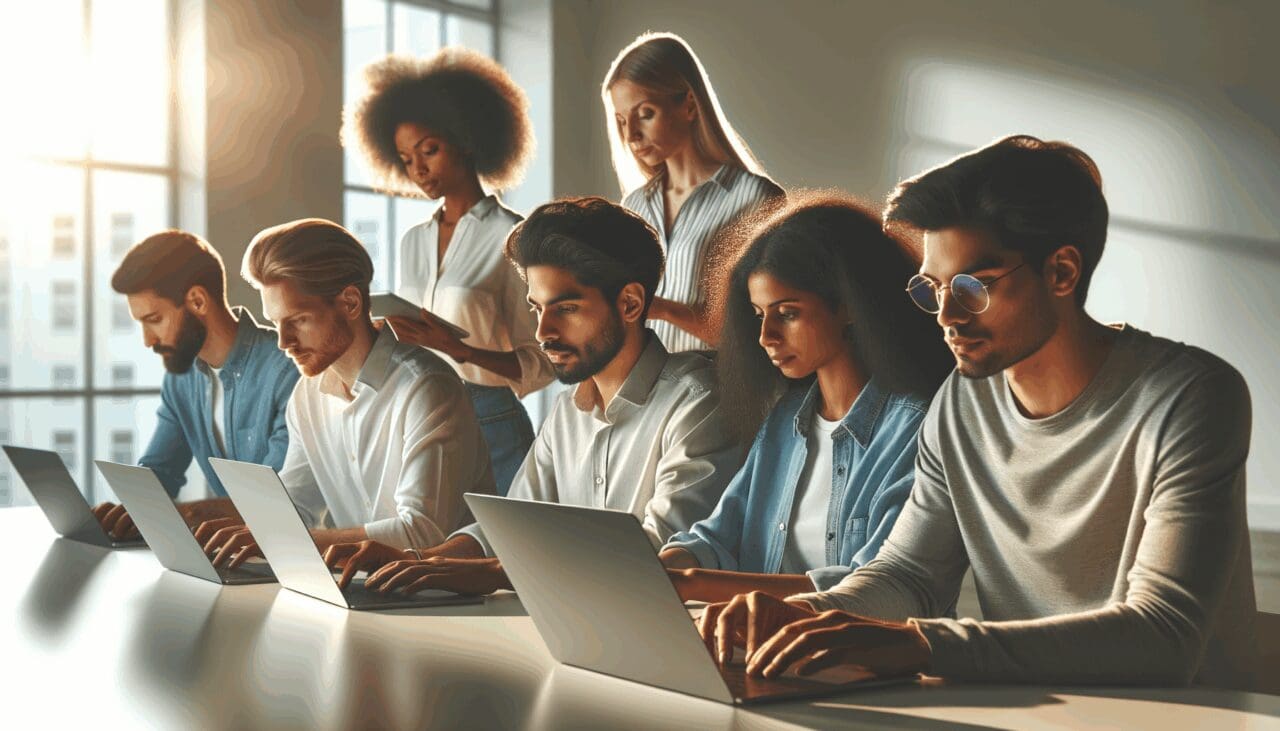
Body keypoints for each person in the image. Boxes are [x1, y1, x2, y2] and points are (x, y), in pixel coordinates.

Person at [701, 136, 1257, 688]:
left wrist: (922, 645)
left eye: (972, 286)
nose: (946, 316)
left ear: (1062, 272)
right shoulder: (961, 403)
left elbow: (1163, 637)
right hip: (1026, 713)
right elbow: (909, 574)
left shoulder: (1191, 397)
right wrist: (804, 613)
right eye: (933, 287)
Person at [321, 197, 743, 595]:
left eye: (566, 309)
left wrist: (488, 574)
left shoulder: (698, 403)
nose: (543, 333)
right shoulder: (568, 411)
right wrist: (418, 559)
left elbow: (658, 554)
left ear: (630, 304)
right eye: (537, 309)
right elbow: (512, 525)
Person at [657, 194, 952, 603]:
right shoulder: (787, 419)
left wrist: (693, 583)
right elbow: (718, 536)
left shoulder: (917, 425)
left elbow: (873, 587)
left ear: (849, 305)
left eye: (788, 313)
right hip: (759, 649)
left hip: (857, 657)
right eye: (760, 315)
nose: (766, 337)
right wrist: (667, 563)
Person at [198, 218, 494, 568]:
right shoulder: (306, 397)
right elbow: (296, 507)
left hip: (446, 598)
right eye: (276, 323)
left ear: (351, 303)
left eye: (299, 320)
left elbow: (423, 531)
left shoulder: (426, 387)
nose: (283, 342)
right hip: (360, 588)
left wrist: (289, 540)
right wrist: (235, 532)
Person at [343, 48, 552, 496]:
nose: (418, 169)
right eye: (405, 159)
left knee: (504, 555)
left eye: (429, 151)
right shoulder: (412, 240)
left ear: (466, 139)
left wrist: (463, 351)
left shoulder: (514, 237)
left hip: (493, 419)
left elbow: (544, 360)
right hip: (422, 412)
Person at [92, 230, 298, 540]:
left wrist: (185, 514)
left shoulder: (287, 367)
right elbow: (159, 472)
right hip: (233, 554)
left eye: (154, 319)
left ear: (197, 301)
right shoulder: (181, 380)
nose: (148, 341)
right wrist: (127, 510)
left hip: (303, 555)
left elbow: (280, 499)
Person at [604, 32, 783, 352]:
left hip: (719, 393)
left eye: (645, 114)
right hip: (647, 396)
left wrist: (662, 309)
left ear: (688, 104)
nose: (631, 134)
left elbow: (765, 326)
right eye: (621, 120)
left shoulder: (754, 198)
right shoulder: (633, 206)